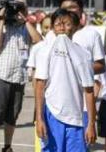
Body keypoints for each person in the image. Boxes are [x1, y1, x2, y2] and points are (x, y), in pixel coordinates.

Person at [34, 9, 96, 152]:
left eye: (67, 24)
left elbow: (89, 90)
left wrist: (91, 123)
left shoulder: (84, 54)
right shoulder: (44, 51)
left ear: (74, 27)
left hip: (76, 118)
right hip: (52, 115)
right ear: (53, 28)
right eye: (58, 24)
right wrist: (39, 119)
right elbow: (39, 86)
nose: (62, 28)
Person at [0, 0, 42, 152]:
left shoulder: (26, 28)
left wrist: (26, 20)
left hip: (19, 78)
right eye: (16, 8)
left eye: (22, 8)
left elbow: (39, 41)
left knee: (12, 115)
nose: (19, 12)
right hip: (0, 76)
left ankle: (7, 146)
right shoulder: (1, 27)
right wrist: (1, 19)